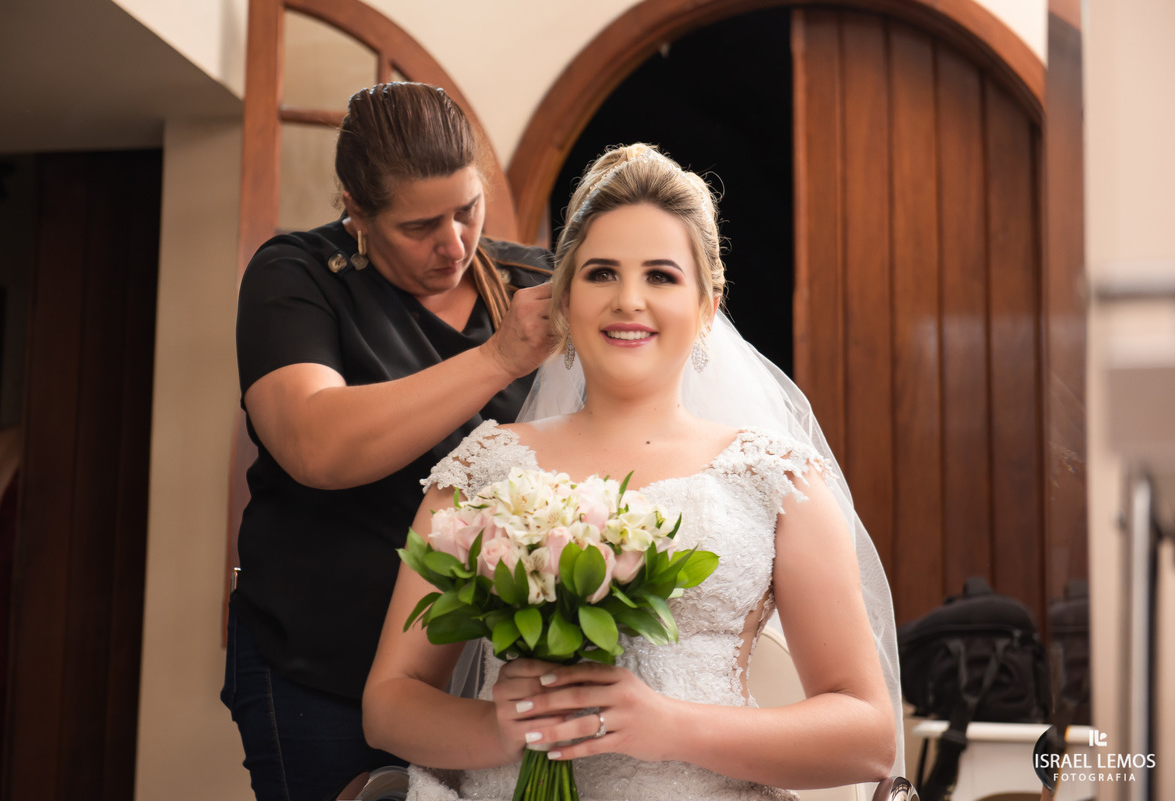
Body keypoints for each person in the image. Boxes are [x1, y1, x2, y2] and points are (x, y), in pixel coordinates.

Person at [364, 143, 904, 800]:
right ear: (563, 297)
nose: (628, 300)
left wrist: (668, 725)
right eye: (599, 273)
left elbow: (869, 734)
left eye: (661, 275)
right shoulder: (484, 467)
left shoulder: (776, 477)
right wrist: (505, 727)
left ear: (708, 304)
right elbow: (390, 703)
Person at [223, 82, 555, 801]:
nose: (454, 244)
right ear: (355, 209)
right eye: (419, 226)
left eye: (468, 209)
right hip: (322, 665)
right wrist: (498, 359)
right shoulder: (297, 276)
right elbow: (316, 445)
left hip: (494, 678)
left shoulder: (534, 286)